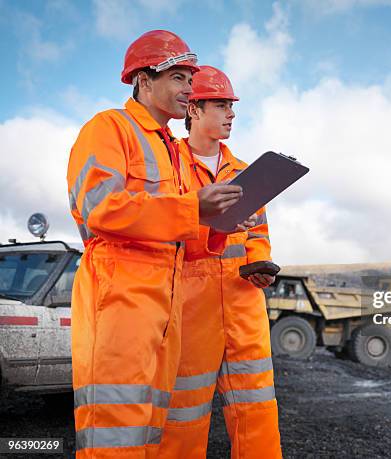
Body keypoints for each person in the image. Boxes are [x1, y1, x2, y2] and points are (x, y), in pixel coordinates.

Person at [67, 31, 249, 458]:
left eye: (191, 79)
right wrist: (191, 209)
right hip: (119, 302)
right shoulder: (109, 128)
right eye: (180, 78)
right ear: (144, 82)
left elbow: (188, 236)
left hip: (165, 310)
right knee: (114, 434)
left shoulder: (171, 150)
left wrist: (222, 225)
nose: (190, 88)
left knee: (151, 437)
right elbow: (98, 207)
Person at [158, 66, 282, 458]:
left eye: (232, 107)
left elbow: (258, 233)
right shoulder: (169, 165)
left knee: (257, 409)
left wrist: (260, 263)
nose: (231, 114)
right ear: (193, 110)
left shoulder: (245, 172)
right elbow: (162, 229)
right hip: (192, 306)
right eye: (222, 105)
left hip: (244, 303)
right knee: (184, 414)